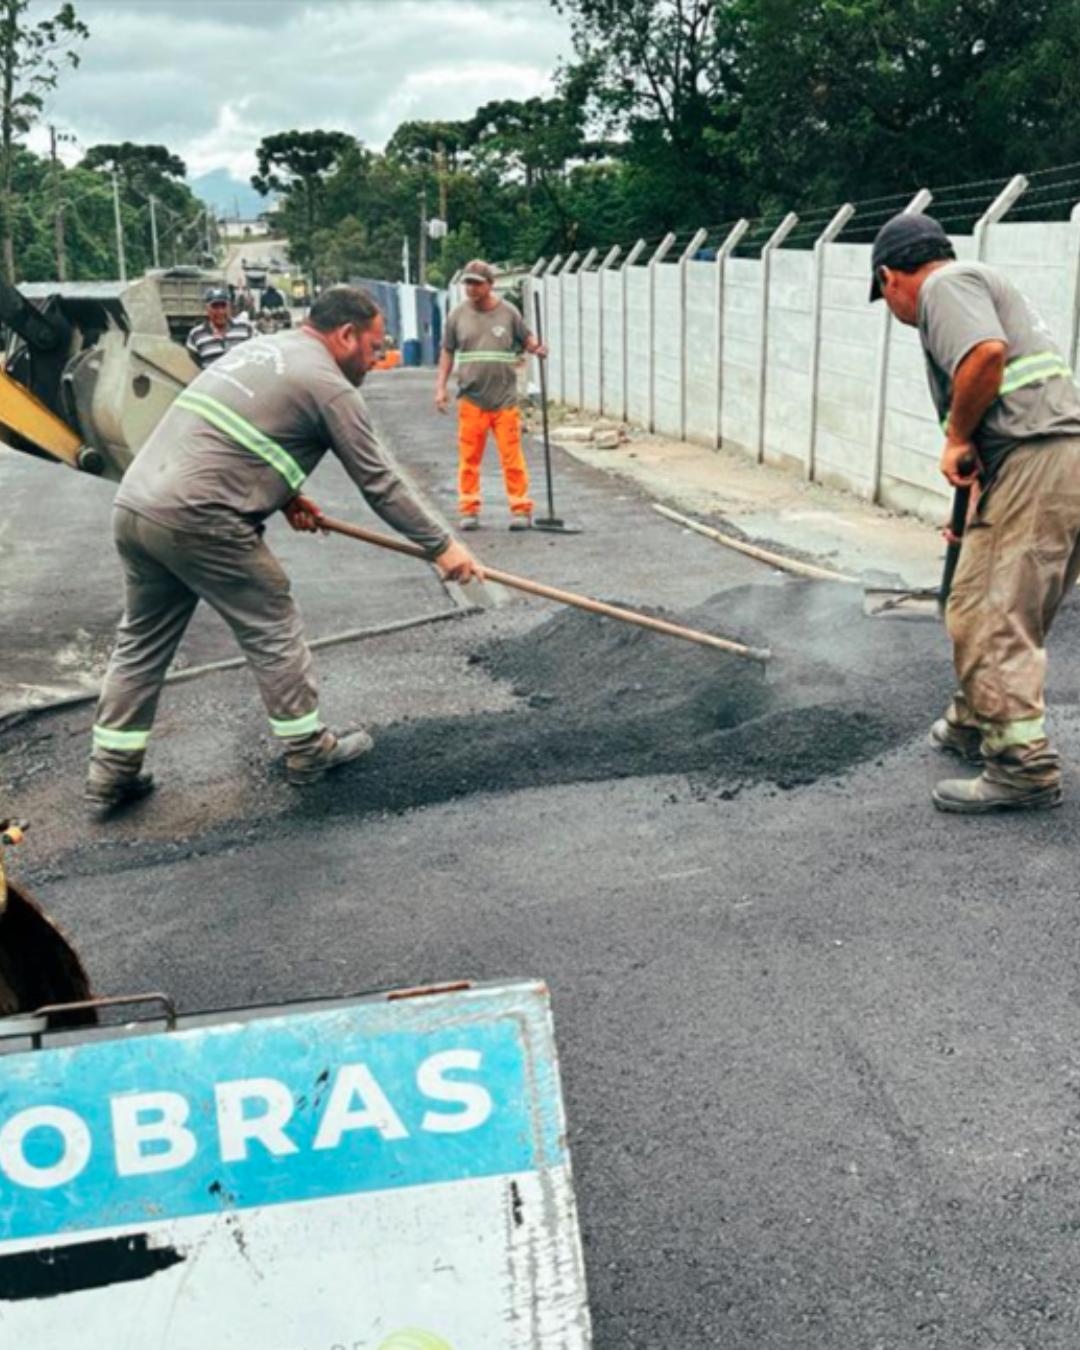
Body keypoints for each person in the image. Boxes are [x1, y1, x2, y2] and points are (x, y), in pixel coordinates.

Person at [86, 286, 482, 808]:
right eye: (372, 347)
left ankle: (110, 774)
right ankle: (307, 749)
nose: (375, 359)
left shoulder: (261, 349)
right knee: (271, 618)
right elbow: (380, 484)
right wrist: (442, 546)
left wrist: (287, 493)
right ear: (345, 335)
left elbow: (232, 432)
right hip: (200, 518)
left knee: (142, 641)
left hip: (137, 506)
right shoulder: (329, 385)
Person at [871, 212, 1080, 813]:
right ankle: (973, 720)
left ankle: (1021, 769)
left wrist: (957, 436)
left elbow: (986, 357)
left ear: (891, 277)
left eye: (885, 295)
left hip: (1036, 460)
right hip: (1047, 459)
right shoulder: (980, 283)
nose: (893, 307)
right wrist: (975, 509)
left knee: (986, 610)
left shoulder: (944, 286)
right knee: (1004, 601)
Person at [435, 259, 547, 531]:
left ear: (490, 285)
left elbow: (526, 338)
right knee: (469, 458)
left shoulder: (508, 313)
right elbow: (447, 351)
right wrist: (441, 388)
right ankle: (469, 509)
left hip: (505, 400)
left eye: (476, 283)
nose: (471, 288)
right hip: (471, 399)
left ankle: (521, 509)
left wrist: (537, 348)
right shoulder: (457, 316)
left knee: (512, 458)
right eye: (467, 283)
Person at [185, 287, 255, 368]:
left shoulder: (245, 328)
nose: (220, 311)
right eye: (215, 306)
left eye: (223, 306)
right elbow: (194, 364)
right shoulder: (196, 335)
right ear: (207, 308)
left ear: (229, 307)